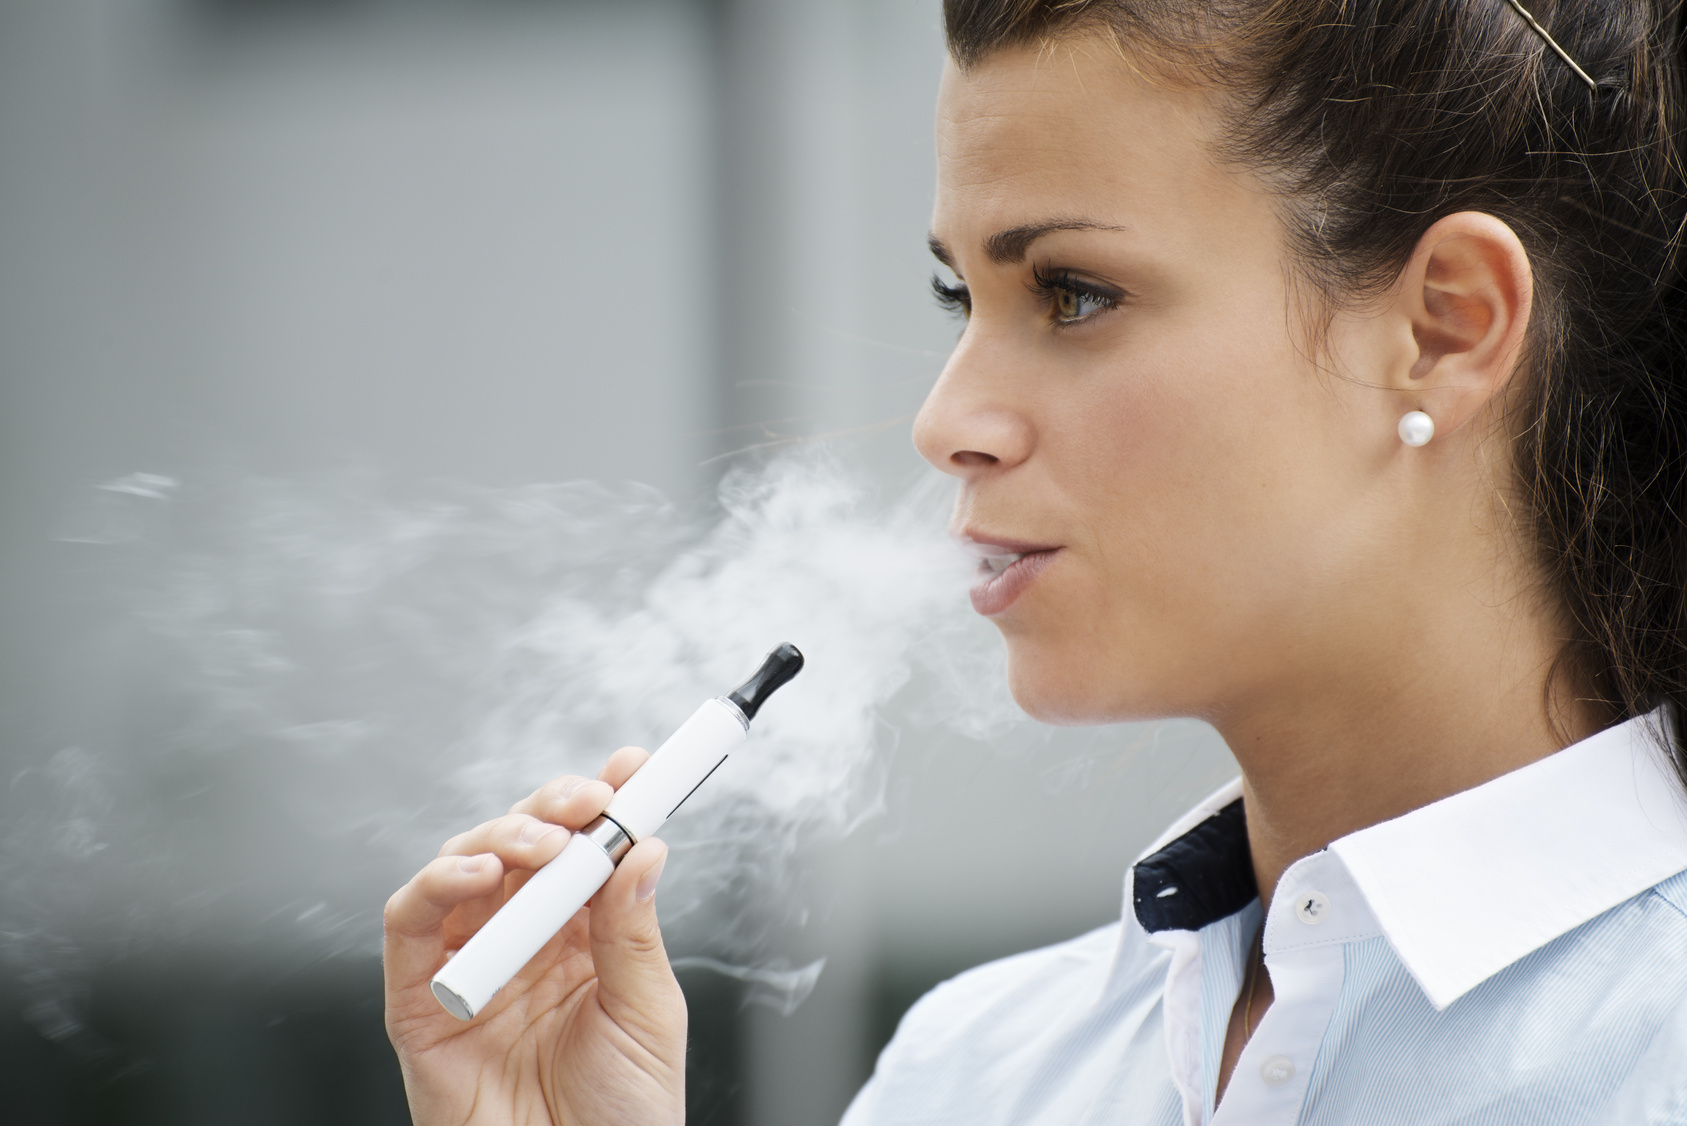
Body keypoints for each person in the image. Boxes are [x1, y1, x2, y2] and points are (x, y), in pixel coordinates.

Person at [382, 0, 1687, 1121]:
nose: (947, 423)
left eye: (1071, 293)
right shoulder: (973, 1075)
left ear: (1447, 325)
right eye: (963, 297)